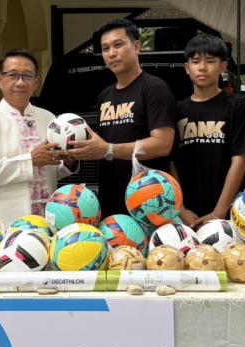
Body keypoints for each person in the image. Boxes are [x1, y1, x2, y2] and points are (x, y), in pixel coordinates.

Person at [68, 19, 176, 217]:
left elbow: (163, 144)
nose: (111, 53)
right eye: (105, 48)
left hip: (149, 204)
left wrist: (108, 150)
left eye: (118, 45)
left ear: (137, 47)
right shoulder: (104, 96)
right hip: (110, 204)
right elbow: (100, 147)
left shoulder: (154, 88)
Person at [0, 49, 76, 228]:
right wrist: (30, 161)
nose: (20, 82)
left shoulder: (48, 118)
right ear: (0, 80)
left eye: (27, 76)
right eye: (13, 75)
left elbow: (49, 170)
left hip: (47, 223)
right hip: (4, 225)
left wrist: (68, 163)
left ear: (36, 83)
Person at [174, 34, 245, 227]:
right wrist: (180, 208)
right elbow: (171, 162)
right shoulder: (177, 110)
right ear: (187, 68)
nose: (202, 67)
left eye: (210, 61)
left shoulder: (237, 105)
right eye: (196, 61)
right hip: (186, 214)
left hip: (228, 214)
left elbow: (240, 159)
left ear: (223, 66)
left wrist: (218, 212)